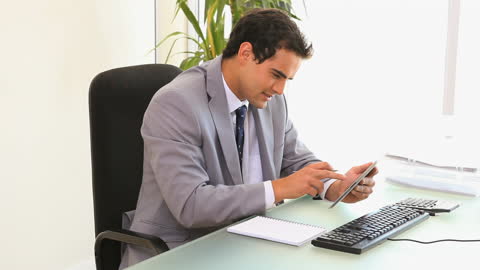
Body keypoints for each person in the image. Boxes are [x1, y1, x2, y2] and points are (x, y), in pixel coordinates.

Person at [119, 8, 377, 269]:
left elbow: (296, 160)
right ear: (245, 53)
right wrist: (280, 188)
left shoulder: (270, 100)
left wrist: (335, 186)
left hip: (246, 243)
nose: (280, 89)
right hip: (179, 252)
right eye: (276, 75)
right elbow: (191, 204)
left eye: (287, 79)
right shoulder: (176, 103)